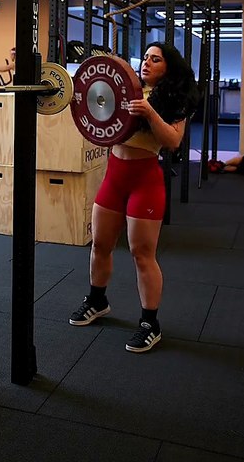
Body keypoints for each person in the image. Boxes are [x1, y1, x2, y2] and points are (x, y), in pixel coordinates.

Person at [69, 42, 200, 353]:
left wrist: (150, 112)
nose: (147, 63)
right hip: (114, 177)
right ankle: (97, 300)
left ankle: (149, 323)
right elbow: (93, 107)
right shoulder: (126, 89)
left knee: (142, 254)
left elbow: (173, 141)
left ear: (168, 68)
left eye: (156, 59)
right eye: (146, 57)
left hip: (145, 181)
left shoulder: (172, 99)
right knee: (100, 243)